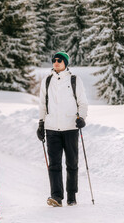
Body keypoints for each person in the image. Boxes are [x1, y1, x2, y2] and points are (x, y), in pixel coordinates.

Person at [36, 51, 88, 207]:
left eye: (59, 60)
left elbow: (82, 102)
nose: (56, 62)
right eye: (54, 60)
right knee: (54, 164)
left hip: (70, 127)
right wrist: (41, 124)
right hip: (52, 128)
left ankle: (71, 196)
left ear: (66, 63)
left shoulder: (74, 80)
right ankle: (57, 196)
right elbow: (42, 105)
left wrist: (82, 118)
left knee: (72, 163)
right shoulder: (46, 81)